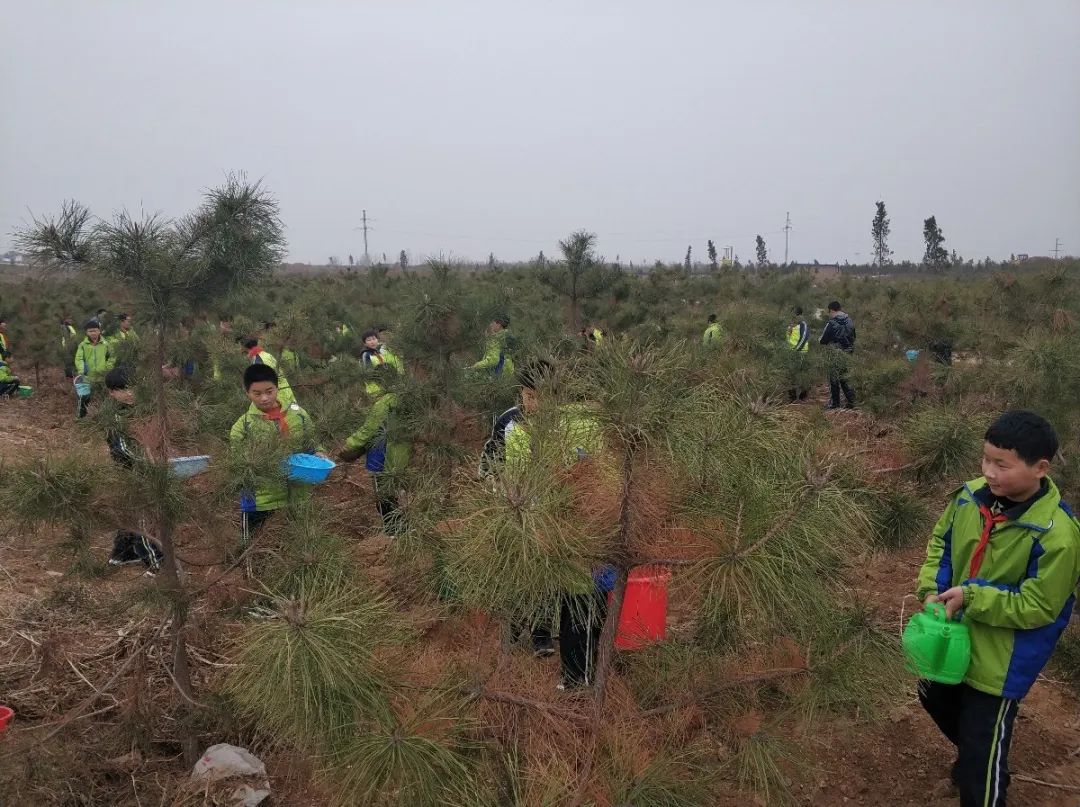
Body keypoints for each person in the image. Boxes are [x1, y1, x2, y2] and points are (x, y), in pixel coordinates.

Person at [915, 411, 1080, 807]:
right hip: (951, 635)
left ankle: (983, 768)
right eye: (985, 459)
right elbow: (941, 542)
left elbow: (1038, 605)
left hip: (1002, 659)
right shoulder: (969, 497)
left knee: (980, 757)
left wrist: (971, 597)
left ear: (1040, 468)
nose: (989, 472)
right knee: (932, 694)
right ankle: (983, 756)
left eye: (1001, 465)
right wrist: (933, 589)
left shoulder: (1057, 534)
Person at [502, 365, 609, 688]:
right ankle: (590, 672)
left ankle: (576, 679)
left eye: (526, 396)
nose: (525, 403)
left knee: (571, 602)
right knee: (594, 601)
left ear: (533, 394)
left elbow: (520, 484)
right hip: (598, 524)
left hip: (559, 527)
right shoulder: (596, 421)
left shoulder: (523, 430)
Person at [229, 364, 322, 541]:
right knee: (255, 546)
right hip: (261, 499)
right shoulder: (243, 426)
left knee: (298, 540)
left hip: (298, 492)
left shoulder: (298, 414)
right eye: (257, 393)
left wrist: (318, 452)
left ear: (277, 388)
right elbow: (238, 461)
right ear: (247, 392)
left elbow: (312, 440)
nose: (264, 398)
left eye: (269, 391)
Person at [337, 364, 411, 536]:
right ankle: (406, 526)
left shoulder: (383, 403)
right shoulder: (406, 398)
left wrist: (347, 444)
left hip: (382, 456)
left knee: (384, 497)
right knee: (399, 490)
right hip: (402, 453)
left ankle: (394, 533)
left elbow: (367, 430)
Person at [74, 319, 115, 418]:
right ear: (86, 332)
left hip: (102, 376)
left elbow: (113, 356)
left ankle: (105, 417)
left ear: (99, 331)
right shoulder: (83, 345)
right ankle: (81, 418)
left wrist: (107, 367)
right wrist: (81, 368)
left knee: (104, 397)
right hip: (87, 376)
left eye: (95, 330)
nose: (93, 333)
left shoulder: (105, 344)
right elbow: (78, 358)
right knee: (84, 397)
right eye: (90, 331)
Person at [819, 300, 856, 410]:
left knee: (833, 379)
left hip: (835, 354)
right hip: (848, 353)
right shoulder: (849, 320)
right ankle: (852, 402)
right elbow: (854, 337)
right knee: (846, 378)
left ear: (831, 310)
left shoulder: (831, 323)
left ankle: (834, 404)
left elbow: (823, 340)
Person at [242, 335, 296, 407]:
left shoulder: (258, 361)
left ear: (245, 348)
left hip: (278, 399)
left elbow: (261, 385)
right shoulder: (266, 355)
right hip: (286, 392)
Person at [787, 307, 810, 402]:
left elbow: (804, 338)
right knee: (791, 375)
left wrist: (796, 350)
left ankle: (803, 395)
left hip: (800, 353)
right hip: (790, 352)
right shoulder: (791, 324)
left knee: (800, 374)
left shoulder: (803, 324)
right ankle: (792, 397)